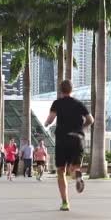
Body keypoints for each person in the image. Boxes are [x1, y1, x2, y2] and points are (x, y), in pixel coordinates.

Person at [45, 80, 94, 211]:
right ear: (72, 90)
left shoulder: (57, 103)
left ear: (61, 90)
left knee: (61, 171)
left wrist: (46, 123)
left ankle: (65, 202)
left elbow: (50, 119)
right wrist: (81, 127)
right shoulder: (79, 104)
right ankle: (77, 173)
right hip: (77, 138)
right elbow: (91, 119)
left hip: (62, 139)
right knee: (75, 167)